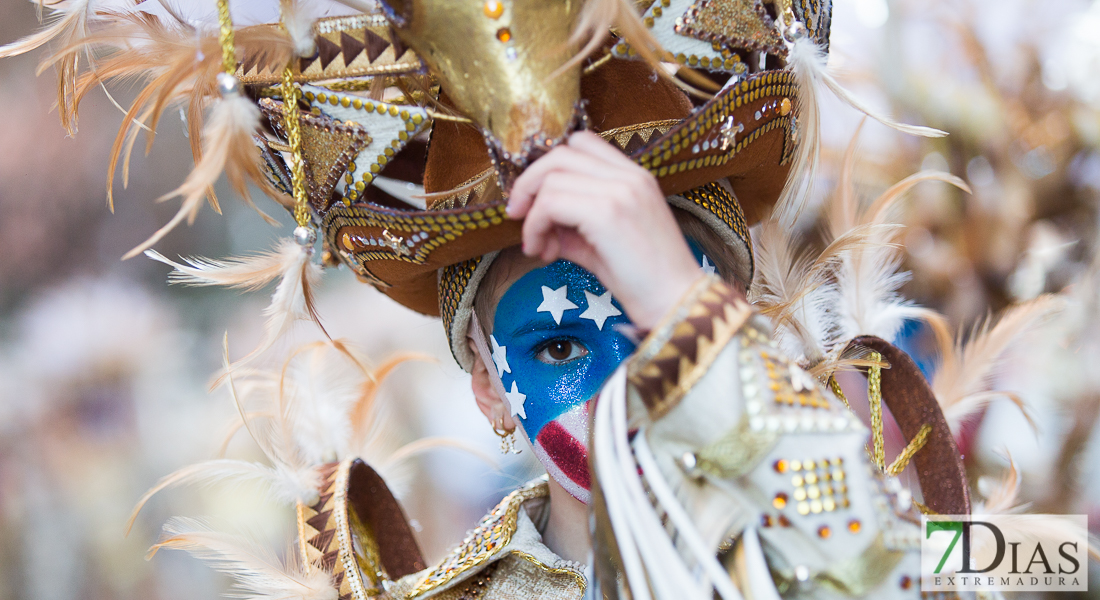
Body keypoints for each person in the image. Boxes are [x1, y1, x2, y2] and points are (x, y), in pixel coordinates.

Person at [1, 0, 968, 597]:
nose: (631, 386)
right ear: (487, 390)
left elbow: (942, 574)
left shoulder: (921, 533)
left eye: (664, 323)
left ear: (732, 321)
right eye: (554, 349)